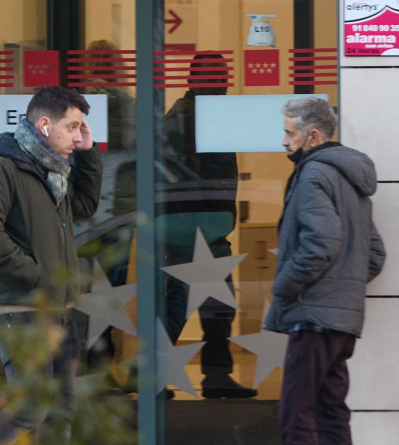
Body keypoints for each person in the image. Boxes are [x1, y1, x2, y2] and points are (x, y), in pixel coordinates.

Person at [0, 85, 103, 444]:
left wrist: (88, 154)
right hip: (22, 307)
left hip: (59, 306)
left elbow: (86, 206)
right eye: (72, 127)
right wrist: (38, 277)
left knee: (60, 410)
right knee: (30, 408)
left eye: (80, 128)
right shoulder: (2, 165)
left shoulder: (53, 169)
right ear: (44, 124)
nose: (78, 136)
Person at [265, 96, 386, 445]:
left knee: (297, 413)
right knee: (330, 410)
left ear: (313, 136)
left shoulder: (313, 173)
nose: (285, 141)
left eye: (289, 133)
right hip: (342, 321)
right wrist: (341, 289)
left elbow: (321, 244)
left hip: (314, 318)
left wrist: (283, 286)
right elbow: (374, 253)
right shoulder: (350, 178)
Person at [159, 52, 256, 399]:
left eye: (224, 76)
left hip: (206, 226)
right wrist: (202, 226)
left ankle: (215, 376)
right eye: (215, 77)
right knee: (185, 303)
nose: (222, 83)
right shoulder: (186, 117)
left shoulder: (207, 114)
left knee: (214, 304)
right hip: (194, 227)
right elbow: (180, 177)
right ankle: (168, 376)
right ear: (193, 79)